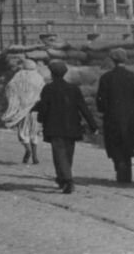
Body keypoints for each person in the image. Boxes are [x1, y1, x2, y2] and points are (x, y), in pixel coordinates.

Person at [35, 60, 97, 194]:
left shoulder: (48, 88)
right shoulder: (73, 88)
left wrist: (40, 119)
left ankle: (68, 180)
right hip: (72, 127)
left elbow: (44, 107)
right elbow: (83, 107)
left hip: (54, 127)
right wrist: (93, 125)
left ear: (52, 73)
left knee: (59, 154)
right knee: (68, 155)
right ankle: (62, 179)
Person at [95, 48, 134, 183]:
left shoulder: (106, 78)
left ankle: (119, 165)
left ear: (112, 60)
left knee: (115, 144)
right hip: (131, 118)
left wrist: (104, 111)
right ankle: (126, 171)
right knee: (128, 145)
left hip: (112, 118)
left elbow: (100, 101)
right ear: (126, 59)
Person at [2, 56, 46, 164]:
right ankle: (35, 156)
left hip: (22, 110)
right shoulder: (39, 77)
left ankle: (28, 150)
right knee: (34, 132)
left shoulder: (18, 76)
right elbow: (43, 92)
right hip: (35, 109)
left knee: (23, 132)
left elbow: (9, 88)